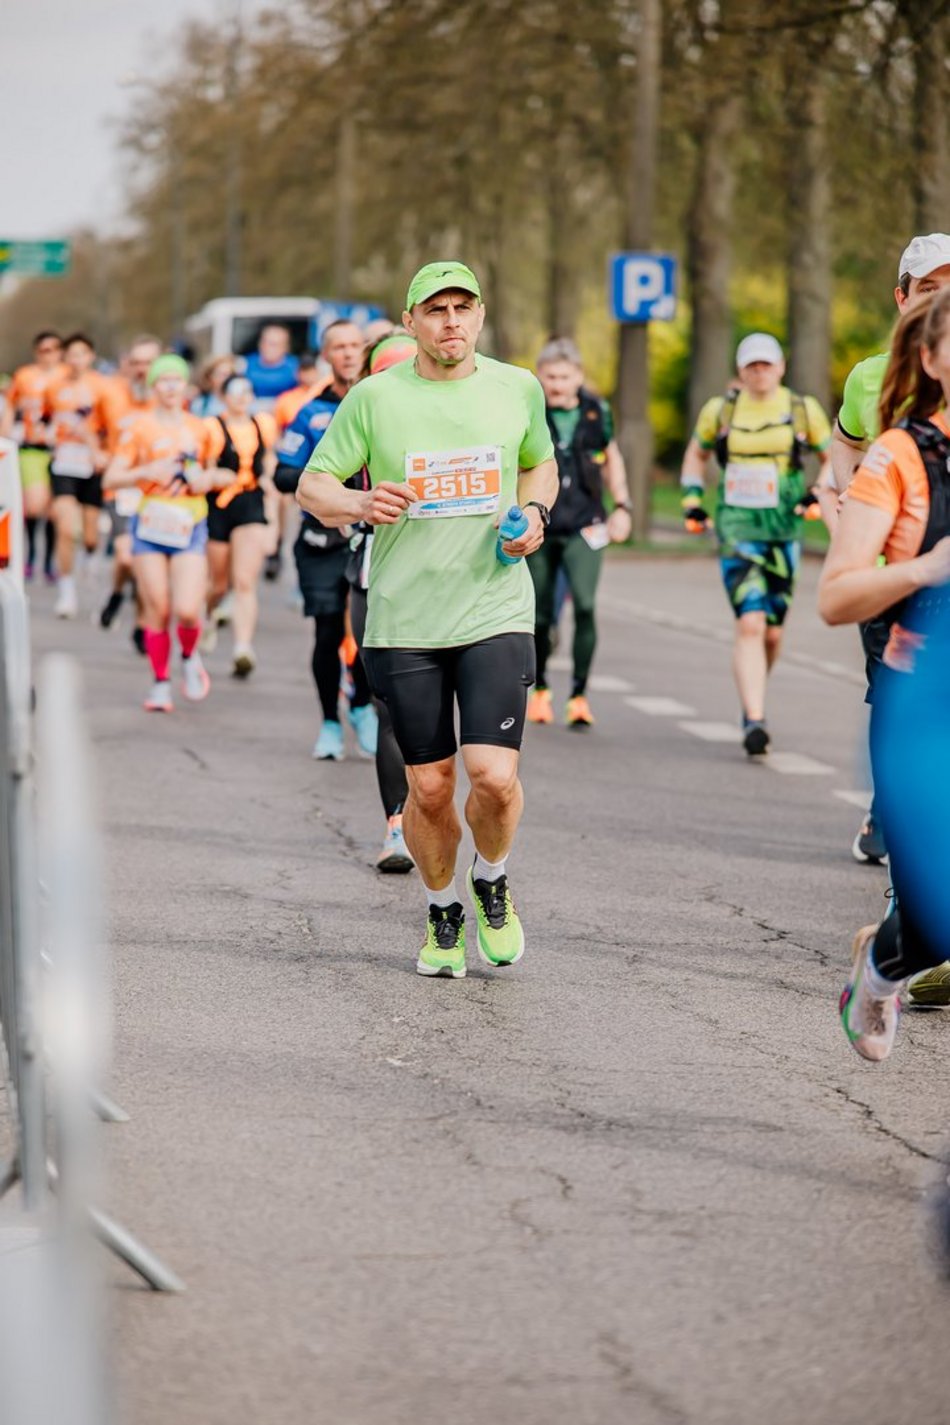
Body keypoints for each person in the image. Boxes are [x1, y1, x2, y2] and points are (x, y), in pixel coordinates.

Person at [297, 261, 558, 978]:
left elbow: (541, 463)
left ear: (480, 316)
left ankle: (492, 879)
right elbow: (312, 484)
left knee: (494, 777)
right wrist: (359, 503)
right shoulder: (376, 398)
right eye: (435, 308)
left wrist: (534, 514)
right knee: (433, 787)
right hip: (405, 618)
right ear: (410, 322)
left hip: (496, 607)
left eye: (463, 307)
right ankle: (443, 907)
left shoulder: (517, 387)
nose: (451, 321)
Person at [818, 287, 950, 1059]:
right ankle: (879, 968)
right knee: (936, 918)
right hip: (921, 705)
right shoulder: (897, 457)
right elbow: (837, 595)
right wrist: (928, 567)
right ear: (930, 359)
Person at [829, 233, 950, 868]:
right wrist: (846, 497)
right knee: (899, 697)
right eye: (929, 289)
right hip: (892, 576)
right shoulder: (870, 377)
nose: (943, 300)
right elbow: (844, 441)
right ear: (902, 297)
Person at [681, 333, 831, 755]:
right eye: (752, 365)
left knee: (772, 629)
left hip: (784, 527)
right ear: (741, 369)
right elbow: (696, 455)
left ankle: (756, 689)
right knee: (750, 620)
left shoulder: (802, 410)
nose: (759, 372)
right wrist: (693, 501)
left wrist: (817, 492)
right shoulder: (722, 409)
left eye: (767, 364)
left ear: (781, 367)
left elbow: (835, 457)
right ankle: (755, 717)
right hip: (737, 527)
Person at [274, 320, 377, 761]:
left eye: (356, 345)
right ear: (326, 355)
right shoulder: (311, 411)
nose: (349, 353)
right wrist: (328, 480)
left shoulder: (383, 403)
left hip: (372, 538)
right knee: (328, 629)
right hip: (321, 541)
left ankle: (361, 705)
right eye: (339, 347)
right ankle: (330, 723)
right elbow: (282, 474)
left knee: (371, 632)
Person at [525, 337, 632, 729]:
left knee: (585, 605)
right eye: (550, 376)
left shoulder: (596, 412)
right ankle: (539, 691)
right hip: (542, 522)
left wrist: (623, 506)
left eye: (564, 376)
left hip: (587, 525)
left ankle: (579, 695)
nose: (556, 384)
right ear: (540, 376)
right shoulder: (529, 410)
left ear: (579, 377)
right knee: (538, 615)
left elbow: (612, 458)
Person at [103, 354, 214, 712]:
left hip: (190, 523)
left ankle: (189, 653)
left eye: (175, 380)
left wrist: (204, 479)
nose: (169, 387)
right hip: (150, 526)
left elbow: (215, 473)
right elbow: (111, 478)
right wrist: (145, 470)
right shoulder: (138, 427)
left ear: (186, 386)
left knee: (185, 609)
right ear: (153, 386)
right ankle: (161, 682)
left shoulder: (202, 428)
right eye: (162, 380)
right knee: (158, 607)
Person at [346, 331, 419, 872]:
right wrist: (355, 501)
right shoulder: (356, 421)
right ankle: (397, 826)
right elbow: (309, 484)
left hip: (456, 583)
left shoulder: (465, 417)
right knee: (389, 709)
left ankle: (436, 813)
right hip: (376, 575)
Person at [201, 374, 278, 677]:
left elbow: (269, 461)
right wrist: (214, 476)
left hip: (251, 501)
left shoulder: (263, 424)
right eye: (235, 391)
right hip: (219, 505)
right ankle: (208, 616)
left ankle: (242, 647)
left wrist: (272, 513)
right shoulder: (211, 427)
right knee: (218, 583)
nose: (241, 397)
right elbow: (203, 465)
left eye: (246, 391)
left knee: (245, 581)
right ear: (223, 396)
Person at [44, 333, 113, 619]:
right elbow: (45, 419)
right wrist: (48, 435)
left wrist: (104, 454)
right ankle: (67, 592)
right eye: (71, 354)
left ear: (91, 356)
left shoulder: (103, 388)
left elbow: (113, 427)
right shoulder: (54, 387)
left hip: (92, 465)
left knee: (89, 532)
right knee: (64, 527)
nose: (76, 360)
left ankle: (91, 554)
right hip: (64, 463)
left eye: (82, 354)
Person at [99, 334, 162, 635]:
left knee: (143, 557)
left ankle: (141, 623)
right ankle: (116, 592)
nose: (141, 369)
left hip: (157, 492)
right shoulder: (111, 395)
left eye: (148, 363)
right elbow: (90, 429)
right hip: (122, 488)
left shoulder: (169, 401)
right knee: (127, 556)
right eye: (136, 362)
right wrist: (96, 450)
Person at [0, 330, 65, 582]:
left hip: (61, 451)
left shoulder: (65, 378)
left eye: (54, 349)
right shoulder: (25, 376)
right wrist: (5, 433)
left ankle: (49, 561)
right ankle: (31, 553)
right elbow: (11, 405)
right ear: (36, 352)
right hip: (32, 447)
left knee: (53, 510)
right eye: (44, 350)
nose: (49, 355)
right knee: (35, 505)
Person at [268, 352, 327, 584]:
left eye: (312, 370)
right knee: (284, 503)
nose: (308, 375)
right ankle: (279, 544)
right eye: (304, 370)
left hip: (318, 465)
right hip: (295, 460)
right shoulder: (286, 400)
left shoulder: (324, 392)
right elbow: (279, 434)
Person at [243, 324, 299, 411]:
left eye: (275, 344)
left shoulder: (297, 367)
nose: (269, 348)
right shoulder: (244, 365)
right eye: (266, 342)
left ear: (286, 347)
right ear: (260, 343)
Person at [190, 355, 237, 419]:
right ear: (210, 378)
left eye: (229, 374)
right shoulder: (201, 404)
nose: (226, 379)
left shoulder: (242, 403)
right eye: (221, 375)